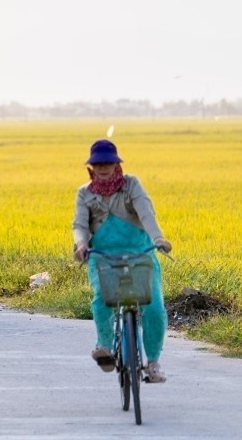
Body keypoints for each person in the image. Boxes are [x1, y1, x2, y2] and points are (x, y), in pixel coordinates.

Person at [72, 139, 172, 383]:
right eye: (98, 164)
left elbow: (146, 212)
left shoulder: (131, 185)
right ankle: (104, 346)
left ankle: (154, 362)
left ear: (117, 164)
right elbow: (80, 225)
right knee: (102, 300)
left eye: (108, 163)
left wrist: (159, 238)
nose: (103, 168)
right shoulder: (85, 193)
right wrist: (81, 244)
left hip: (140, 254)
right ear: (91, 168)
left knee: (154, 307)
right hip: (103, 257)